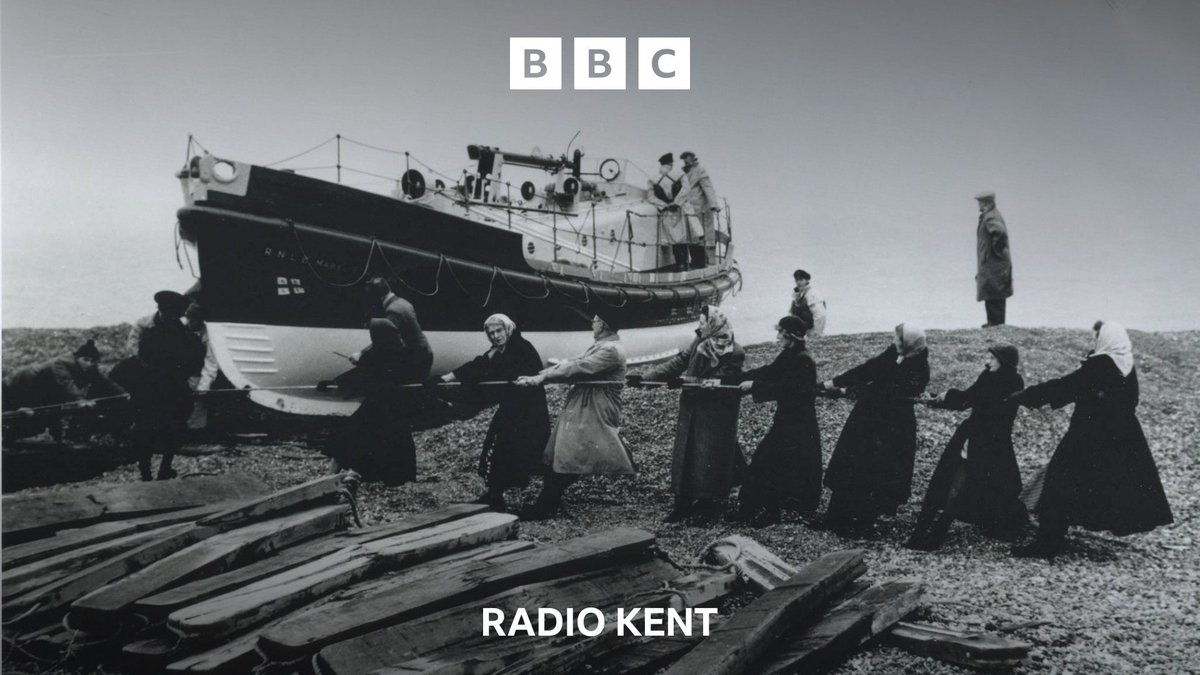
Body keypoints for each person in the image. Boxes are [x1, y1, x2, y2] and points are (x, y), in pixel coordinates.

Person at [1009, 321, 1172, 558]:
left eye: (1097, 336)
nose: (1095, 341)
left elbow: (1066, 386)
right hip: (1122, 437)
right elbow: (1130, 400)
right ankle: (1053, 538)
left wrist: (1027, 396)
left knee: (1059, 482)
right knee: (1098, 485)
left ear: (1106, 338)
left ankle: (1047, 544)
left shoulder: (1101, 364)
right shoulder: (1126, 364)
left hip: (1089, 436)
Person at [905, 344, 1028, 551]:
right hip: (984, 440)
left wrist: (946, 396)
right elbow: (970, 397)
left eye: (992, 358)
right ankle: (927, 533)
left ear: (1004, 361)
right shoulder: (997, 377)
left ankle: (932, 536)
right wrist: (942, 398)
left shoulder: (1008, 381)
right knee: (958, 484)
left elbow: (972, 398)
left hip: (985, 443)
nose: (987, 362)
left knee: (957, 486)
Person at [632, 306, 745, 524]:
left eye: (702, 323)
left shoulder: (734, 351)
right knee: (687, 454)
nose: (699, 326)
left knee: (709, 456)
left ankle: (708, 506)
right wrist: (647, 379)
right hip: (693, 407)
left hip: (716, 413)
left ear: (713, 324)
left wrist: (686, 383)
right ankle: (682, 504)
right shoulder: (699, 342)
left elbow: (720, 381)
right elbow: (679, 362)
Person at [516, 312, 633, 520]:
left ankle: (545, 505)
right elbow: (575, 361)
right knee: (567, 451)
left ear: (604, 325)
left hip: (596, 406)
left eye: (595, 321)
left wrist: (542, 377)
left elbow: (578, 367)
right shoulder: (603, 346)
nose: (592, 323)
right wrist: (541, 375)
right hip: (585, 403)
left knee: (573, 453)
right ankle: (549, 499)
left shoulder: (611, 350)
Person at [821, 323, 930, 536]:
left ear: (910, 344)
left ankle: (863, 523)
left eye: (899, 340)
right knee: (850, 464)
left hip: (892, 427)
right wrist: (834, 381)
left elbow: (888, 392)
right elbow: (870, 369)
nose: (895, 342)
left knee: (875, 472)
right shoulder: (895, 352)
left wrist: (848, 390)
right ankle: (835, 518)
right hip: (868, 418)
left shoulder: (919, 368)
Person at [439, 314, 550, 511]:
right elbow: (478, 365)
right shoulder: (498, 350)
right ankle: (495, 494)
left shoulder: (522, 347)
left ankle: (503, 495)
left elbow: (525, 374)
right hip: (512, 406)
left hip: (528, 409)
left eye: (499, 331)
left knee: (510, 447)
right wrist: (447, 377)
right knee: (498, 446)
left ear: (508, 329)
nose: (496, 336)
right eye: (491, 333)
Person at [733, 315, 823, 526]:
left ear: (790, 335)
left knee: (771, 463)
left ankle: (766, 512)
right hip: (789, 420)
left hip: (798, 424)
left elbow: (786, 389)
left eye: (780, 332)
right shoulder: (791, 354)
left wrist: (754, 386)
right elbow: (770, 372)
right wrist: (741, 378)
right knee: (772, 463)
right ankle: (755, 509)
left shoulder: (803, 360)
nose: (777, 336)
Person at [114, 291, 205, 481]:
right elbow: (194, 364)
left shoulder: (151, 335)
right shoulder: (187, 337)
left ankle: (147, 473)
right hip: (171, 389)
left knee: (145, 430)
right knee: (173, 429)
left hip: (149, 389)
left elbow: (139, 358)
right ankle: (162, 469)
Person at [333, 318, 419, 485]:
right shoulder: (399, 349)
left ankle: (342, 474)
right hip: (394, 408)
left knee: (353, 436)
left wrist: (336, 382)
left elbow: (361, 375)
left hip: (378, 406)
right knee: (389, 443)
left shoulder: (378, 354)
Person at [2, 339, 126, 443]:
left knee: (40, 419)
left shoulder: (90, 369)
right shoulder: (61, 363)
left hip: (42, 392)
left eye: (93, 361)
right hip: (21, 386)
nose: (89, 364)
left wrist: (123, 394)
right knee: (22, 416)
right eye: (86, 359)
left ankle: (54, 442)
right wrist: (80, 401)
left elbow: (105, 382)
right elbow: (66, 383)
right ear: (77, 358)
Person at [356, 277, 433, 381]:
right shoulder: (403, 302)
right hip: (423, 355)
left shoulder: (393, 311)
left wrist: (361, 354)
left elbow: (387, 340)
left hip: (416, 360)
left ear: (376, 297)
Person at [673, 151, 721, 268]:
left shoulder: (700, 171)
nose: (684, 161)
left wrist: (714, 204)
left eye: (686, 158)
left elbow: (708, 188)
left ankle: (700, 263)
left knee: (697, 236)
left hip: (697, 208)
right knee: (689, 236)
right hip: (686, 208)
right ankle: (691, 262)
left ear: (692, 158)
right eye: (683, 159)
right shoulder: (685, 171)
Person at [975, 191, 1012, 327]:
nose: (978, 205)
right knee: (993, 294)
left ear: (986, 202)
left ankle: (995, 324)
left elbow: (1000, 233)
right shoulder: (991, 215)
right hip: (993, 263)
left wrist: (995, 253)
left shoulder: (990, 217)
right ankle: (994, 323)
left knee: (994, 294)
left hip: (993, 264)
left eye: (980, 202)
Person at [646, 153, 689, 271]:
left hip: (665, 210)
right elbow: (686, 189)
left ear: (661, 164)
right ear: (671, 163)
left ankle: (679, 263)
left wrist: (664, 205)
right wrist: (677, 203)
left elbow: (650, 197)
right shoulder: (679, 174)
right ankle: (684, 263)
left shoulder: (653, 179)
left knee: (672, 237)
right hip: (678, 209)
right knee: (681, 235)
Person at [789, 269, 827, 337]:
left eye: (801, 279)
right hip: (802, 330)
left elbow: (820, 314)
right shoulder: (796, 294)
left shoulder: (812, 293)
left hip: (812, 329)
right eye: (796, 280)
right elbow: (792, 312)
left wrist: (817, 332)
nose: (798, 282)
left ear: (806, 280)